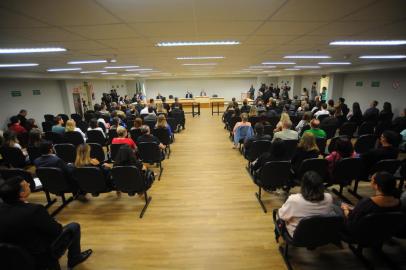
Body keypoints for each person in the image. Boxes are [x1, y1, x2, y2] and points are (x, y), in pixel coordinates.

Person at [0, 176, 92, 269]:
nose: (28, 184)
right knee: (74, 227)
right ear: (22, 194)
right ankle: (74, 258)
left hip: (11, 256)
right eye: (26, 185)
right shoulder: (34, 210)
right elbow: (57, 231)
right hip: (41, 254)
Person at [277, 171, 334, 237]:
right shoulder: (329, 197)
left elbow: (282, 216)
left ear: (303, 185)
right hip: (321, 233)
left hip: (299, 236)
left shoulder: (294, 200)